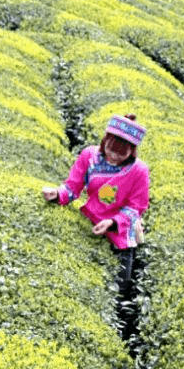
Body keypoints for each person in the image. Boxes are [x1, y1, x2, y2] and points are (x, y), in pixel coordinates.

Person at [42, 113, 150, 285]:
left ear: (132, 151)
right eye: (110, 150)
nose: (114, 157)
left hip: (121, 230)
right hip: (90, 220)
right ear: (104, 141)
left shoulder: (139, 171)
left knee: (121, 282)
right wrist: (57, 194)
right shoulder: (89, 156)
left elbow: (136, 207)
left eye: (121, 154)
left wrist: (112, 222)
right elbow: (73, 186)